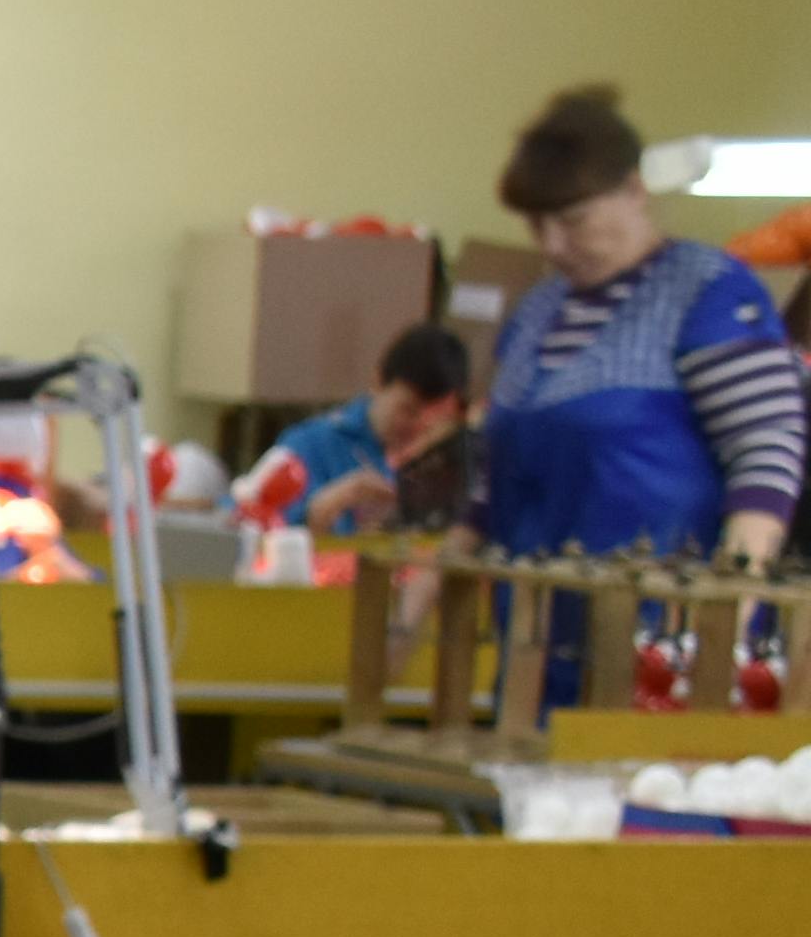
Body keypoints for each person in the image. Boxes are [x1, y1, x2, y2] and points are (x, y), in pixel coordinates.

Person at [479, 83, 797, 606]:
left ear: (633, 190)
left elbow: (765, 451)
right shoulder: (537, 312)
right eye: (537, 224)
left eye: (574, 221)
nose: (553, 245)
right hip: (534, 632)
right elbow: (492, 478)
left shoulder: (707, 293)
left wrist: (736, 609)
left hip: (658, 631)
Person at [232, 321, 470, 549]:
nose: (418, 427)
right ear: (378, 382)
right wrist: (327, 505)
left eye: (434, 421)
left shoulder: (441, 464)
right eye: (408, 410)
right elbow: (242, 526)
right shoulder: (309, 444)